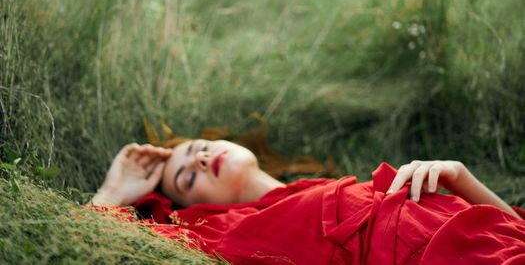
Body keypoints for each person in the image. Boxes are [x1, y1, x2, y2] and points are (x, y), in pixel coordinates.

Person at [92, 140, 525, 264]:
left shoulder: (315, 187)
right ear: (192, 209)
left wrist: (460, 176)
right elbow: (116, 240)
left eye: (200, 146)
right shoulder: (229, 232)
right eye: (188, 177)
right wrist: (114, 193)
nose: (203, 159)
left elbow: (514, 229)